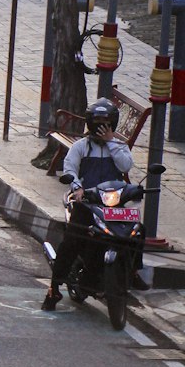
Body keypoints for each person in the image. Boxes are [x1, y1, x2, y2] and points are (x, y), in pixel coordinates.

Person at [42, 98, 133, 311]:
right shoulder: (81, 146)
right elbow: (70, 169)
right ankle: (54, 288)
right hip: (87, 203)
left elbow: (126, 165)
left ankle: (129, 274)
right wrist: (77, 187)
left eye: (107, 122)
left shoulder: (118, 145)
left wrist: (111, 141)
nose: (102, 126)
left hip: (112, 204)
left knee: (130, 236)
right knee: (72, 241)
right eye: (98, 121)